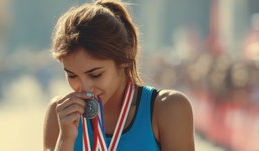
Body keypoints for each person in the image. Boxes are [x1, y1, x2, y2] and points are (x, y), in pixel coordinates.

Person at [43, 0, 195, 150]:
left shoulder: (168, 108)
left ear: (126, 57)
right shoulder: (59, 113)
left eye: (95, 75)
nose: (83, 88)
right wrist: (66, 139)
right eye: (72, 75)